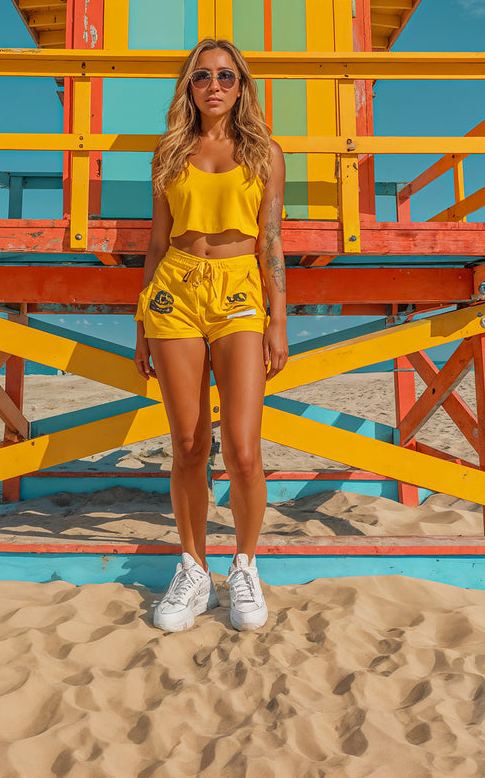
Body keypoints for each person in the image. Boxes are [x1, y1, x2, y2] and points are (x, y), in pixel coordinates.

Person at [134, 38, 287, 631]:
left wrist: (278, 320)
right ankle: (194, 568)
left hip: (240, 290)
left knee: (245, 450)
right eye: (202, 76)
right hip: (174, 289)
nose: (215, 85)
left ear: (242, 85)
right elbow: (154, 242)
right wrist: (142, 321)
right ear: (189, 87)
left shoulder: (264, 153)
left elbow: (272, 239)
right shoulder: (170, 152)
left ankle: (245, 565)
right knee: (189, 445)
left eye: (226, 75)